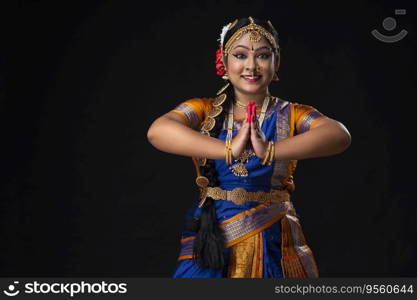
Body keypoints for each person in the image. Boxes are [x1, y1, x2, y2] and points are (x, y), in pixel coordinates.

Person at [147, 16, 351, 278]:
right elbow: (158, 131)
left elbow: (338, 135)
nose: (252, 66)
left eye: (263, 56)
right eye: (240, 55)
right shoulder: (203, 109)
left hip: (275, 236)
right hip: (212, 233)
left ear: (276, 62)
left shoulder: (293, 113)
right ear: (224, 61)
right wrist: (227, 149)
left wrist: (271, 150)